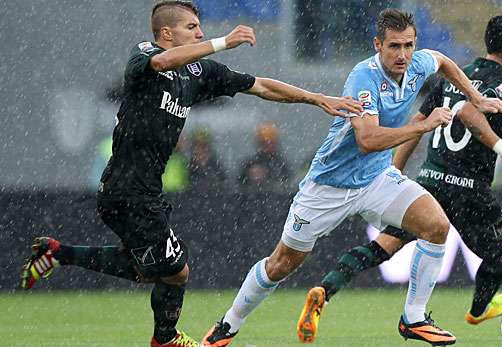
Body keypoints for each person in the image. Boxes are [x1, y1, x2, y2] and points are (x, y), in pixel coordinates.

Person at [18, 2, 362, 347]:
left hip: (145, 191)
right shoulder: (144, 55)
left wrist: (314, 98)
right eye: (192, 27)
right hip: (127, 190)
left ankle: (58, 253)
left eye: (200, 28)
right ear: (167, 33)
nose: (199, 33)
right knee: (176, 271)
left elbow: (260, 86)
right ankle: (165, 339)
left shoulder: (198, 73)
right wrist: (223, 41)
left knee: (148, 268)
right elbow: (163, 62)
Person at [201, 9, 502, 347]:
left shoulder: (418, 63)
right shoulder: (363, 79)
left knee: (435, 226)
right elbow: (367, 140)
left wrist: (475, 95)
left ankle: (414, 318)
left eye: (408, 45)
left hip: (377, 179)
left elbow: (442, 61)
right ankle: (228, 325)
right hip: (328, 187)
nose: (403, 54)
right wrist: (423, 125)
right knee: (281, 264)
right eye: (394, 46)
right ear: (377, 44)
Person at [299, 13, 502, 344]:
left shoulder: (453, 77)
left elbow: (416, 125)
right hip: (469, 186)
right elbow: (467, 111)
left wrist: (393, 169)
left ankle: (326, 288)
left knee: (385, 244)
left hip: (431, 178)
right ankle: (479, 309)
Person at [238, 121, 291, 194]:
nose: (269, 145)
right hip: (253, 201)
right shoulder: (250, 164)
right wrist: (250, 178)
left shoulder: (281, 165)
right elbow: (240, 186)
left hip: (276, 201)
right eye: (265, 142)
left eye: (271, 142)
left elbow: (288, 184)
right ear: (259, 143)